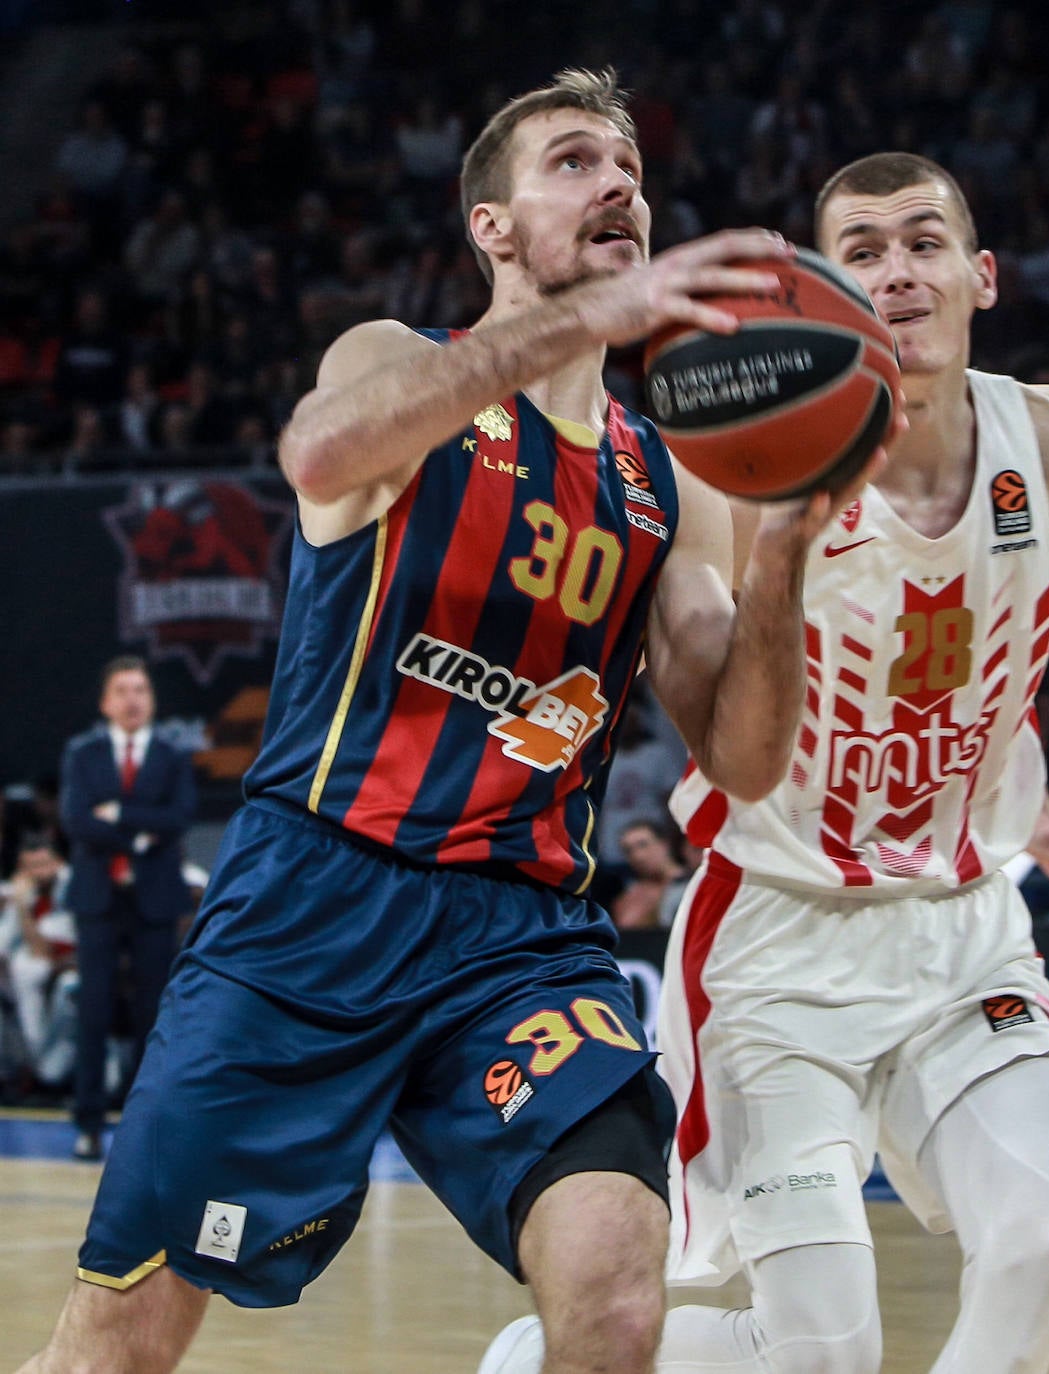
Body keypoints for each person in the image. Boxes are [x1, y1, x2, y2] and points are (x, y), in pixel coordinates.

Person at [17, 70, 893, 1374]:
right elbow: (321, 456)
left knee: (616, 1284)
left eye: (630, 169)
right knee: (118, 1349)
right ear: (489, 224)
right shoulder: (398, 367)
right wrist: (589, 318)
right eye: (575, 162)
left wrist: (783, 553)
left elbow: (746, 751)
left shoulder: (665, 475)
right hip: (311, 905)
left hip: (519, 935)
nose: (619, 187)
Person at [482, 150, 1049, 1374]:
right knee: (822, 1354)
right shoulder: (730, 469)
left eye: (925, 242)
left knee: (1045, 1248)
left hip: (963, 929)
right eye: (866, 252)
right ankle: (533, 1362)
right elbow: (726, 735)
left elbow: (969, 666)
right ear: (824, 295)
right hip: (778, 942)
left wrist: (1039, 821)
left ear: (981, 275)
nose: (899, 272)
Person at [59, 655, 196, 1163]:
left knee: (152, 1014)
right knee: (92, 1011)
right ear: (105, 702)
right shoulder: (84, 754)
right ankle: (88, 1124)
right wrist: (143, 832)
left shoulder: (171, 755)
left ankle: (145, 1128)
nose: (132, 699)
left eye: (140, 690)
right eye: (122, 690)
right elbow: (76, 820)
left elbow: (180, 816)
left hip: (154, 899)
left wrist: (118, 815)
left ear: (152, 700)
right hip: (97, 898)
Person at [1, 834, 79, 1096]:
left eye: (43, 864)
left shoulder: (72, 883)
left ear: (58, 862)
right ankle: (26, 1070)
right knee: (21, 969)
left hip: (74, 971)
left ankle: (45, 1073)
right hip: (38, 974)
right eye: (30, 867)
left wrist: (21, 906)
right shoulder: (25, 889)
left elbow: (43, 950)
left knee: (32, 971)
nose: (38, 872)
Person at [610, 818, 689, 931]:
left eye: (643, 845)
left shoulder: (693, 883)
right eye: (629, 850)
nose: (638, 856)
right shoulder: (629, 895)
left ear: (664, 844)